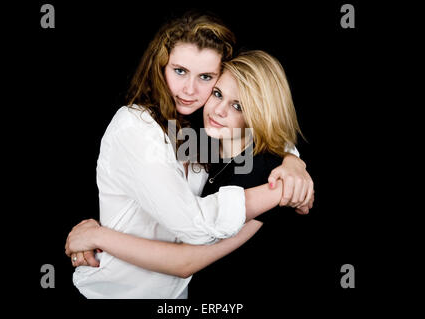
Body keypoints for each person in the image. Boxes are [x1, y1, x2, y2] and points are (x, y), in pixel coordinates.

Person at [65, 12, 314, 299]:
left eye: (206, 78)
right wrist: (291, 166)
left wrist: (290, 173)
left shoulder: (252, 166)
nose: (191, 91)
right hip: (114, 291)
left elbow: (186, 260)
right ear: (160, 67)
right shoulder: (176, 129)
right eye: (180, 71)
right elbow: (191, 220)